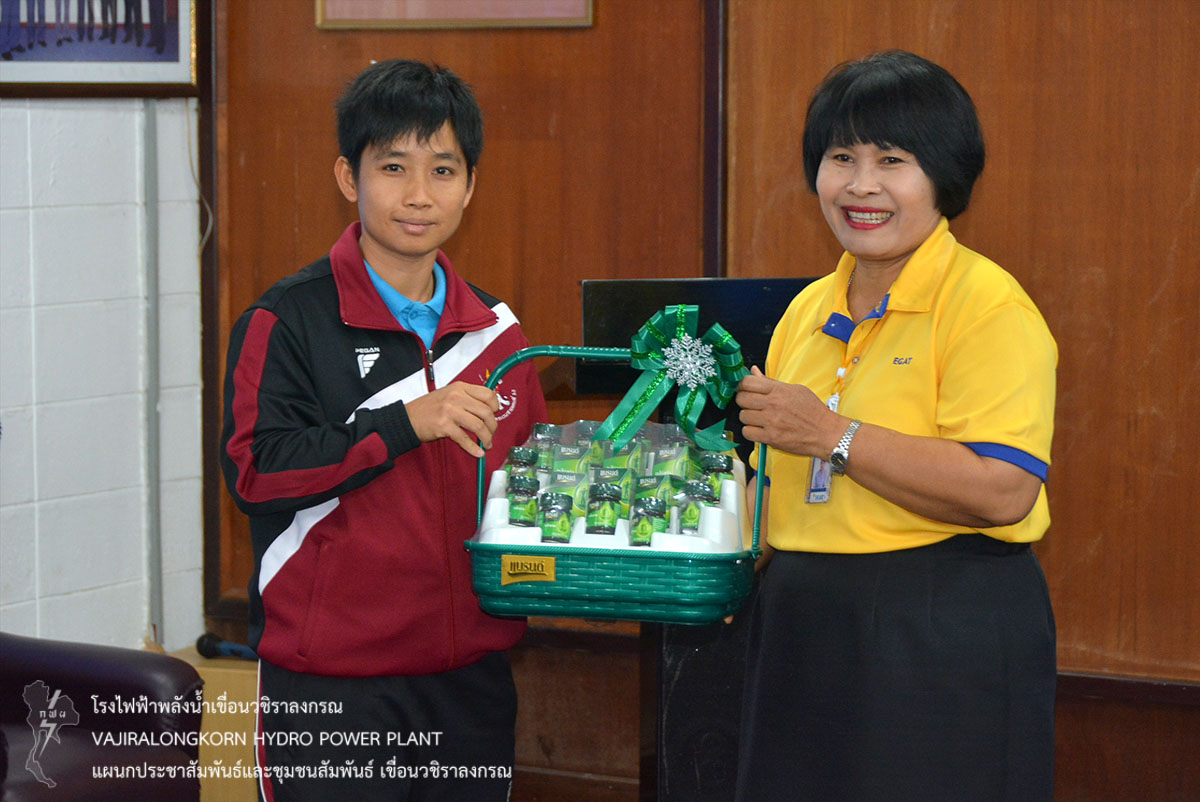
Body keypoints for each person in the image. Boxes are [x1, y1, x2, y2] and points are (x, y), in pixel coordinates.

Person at [734, 50, 1057, 802]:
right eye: (841, 158)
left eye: (892, 160)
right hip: (802, 623)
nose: (861, 185)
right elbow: (771, 483)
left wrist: (833, 435)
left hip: (940, 626)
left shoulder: (988, 306)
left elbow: (1004, 489)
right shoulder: (806, 309)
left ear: (943, 174)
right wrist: (685, 565)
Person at [220, 59, 547, 801]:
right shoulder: (286, 320)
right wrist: (403, 424)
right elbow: (256, 473)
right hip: (333, 686)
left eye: (443, 170)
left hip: (471, 682)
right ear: (349, 177)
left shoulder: (498, 335)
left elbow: (523, 495)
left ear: (471, 185)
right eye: (393, 167)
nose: (419, 195)